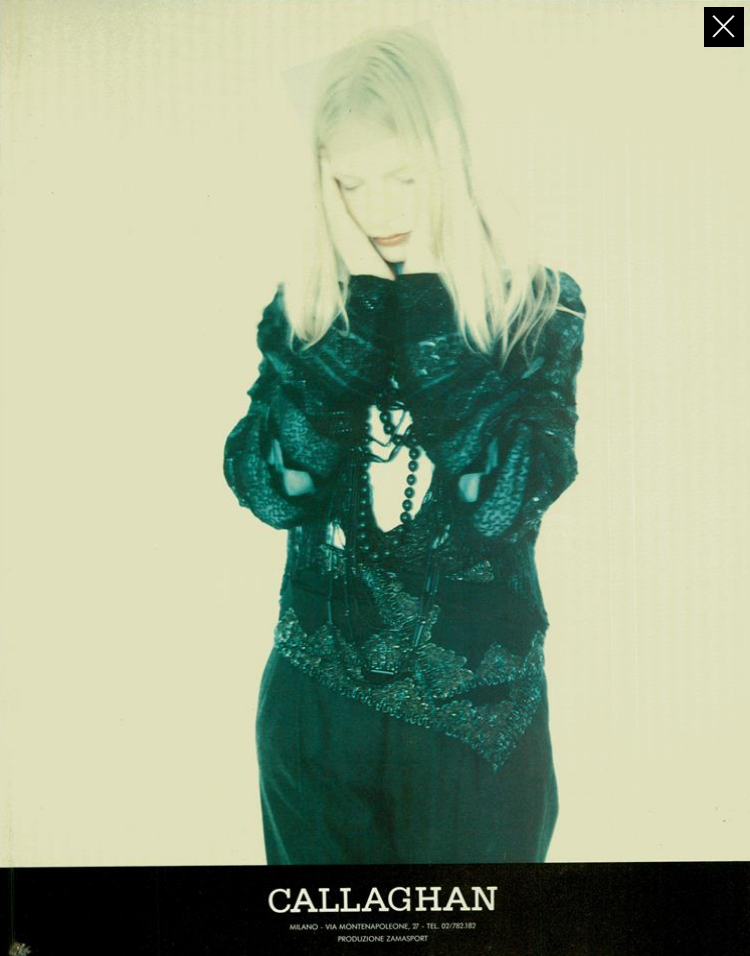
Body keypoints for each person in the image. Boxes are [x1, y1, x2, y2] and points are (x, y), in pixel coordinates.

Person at [223, 25, 587, 864]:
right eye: (349, 182)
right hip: (313, 718)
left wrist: (425, 299)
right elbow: (275, 490)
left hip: (478, 729)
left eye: (404, 177)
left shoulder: (537, 307)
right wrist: (351, 314)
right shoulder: (306, 313)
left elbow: (501, 503)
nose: (378, 208)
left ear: (449, 162)